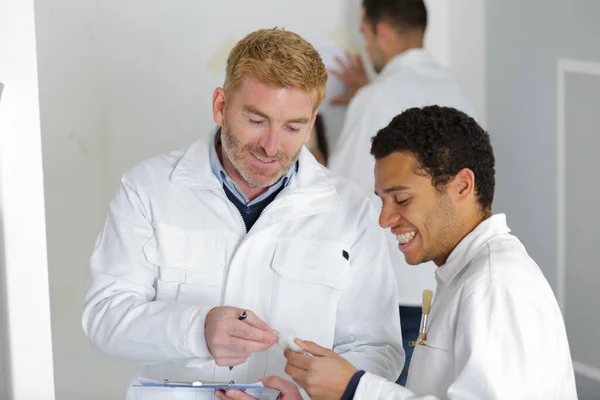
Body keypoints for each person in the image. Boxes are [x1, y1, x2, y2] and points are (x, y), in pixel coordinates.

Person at [81, 28, 404, 399]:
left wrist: (308, 396)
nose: (271, 146)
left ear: (311, 123)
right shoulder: (148, 189)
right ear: (221, 105)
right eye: (256, 120)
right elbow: (104, 319)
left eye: (292, 127)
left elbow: (379, 349)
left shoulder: (352, 210)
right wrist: (196, 329)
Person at [220, 106, 578, 400]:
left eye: (402, 199)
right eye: (383, 200)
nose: (384, 219)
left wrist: (355, 388)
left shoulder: (495, 285)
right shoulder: (464, 277)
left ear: (462, 186)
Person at [326, 0, 478, 384]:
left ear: (381, 30)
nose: (366, 47)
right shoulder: (458, 92)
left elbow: (336, 196)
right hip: (447, 287)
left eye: (363, 34)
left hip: (396, 295)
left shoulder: (375, 99)